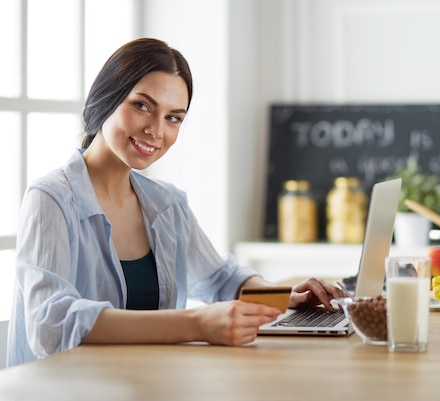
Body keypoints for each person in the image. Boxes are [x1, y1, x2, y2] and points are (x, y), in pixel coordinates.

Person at [7, 38, 345, 367]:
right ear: (106, 98)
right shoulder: (50, 199)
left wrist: (283, 294)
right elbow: (49, 325)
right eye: (142, 106)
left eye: (174, 118)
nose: (156, 130)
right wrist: (194, 324)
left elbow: (222, 279)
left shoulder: (167, 205)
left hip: (150, 384)